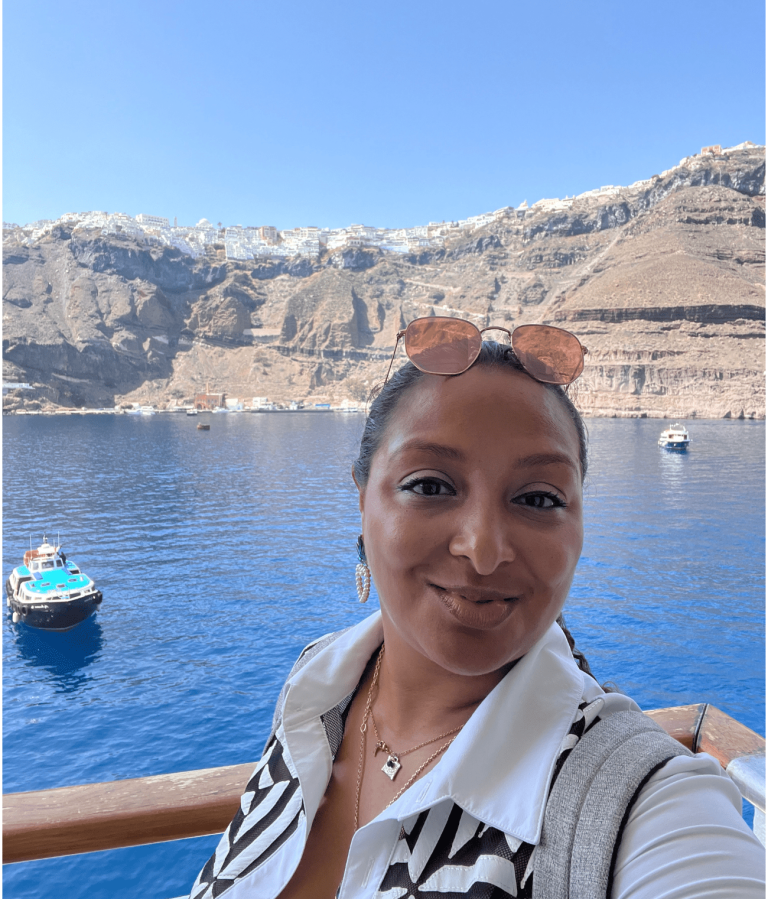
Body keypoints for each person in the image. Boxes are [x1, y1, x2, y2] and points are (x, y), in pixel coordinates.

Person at [189, 318, 765, 899]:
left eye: (538, 498)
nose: (483, 551)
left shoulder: (640, 806)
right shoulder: (317, 684)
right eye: (430, 486)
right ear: (363, 499)